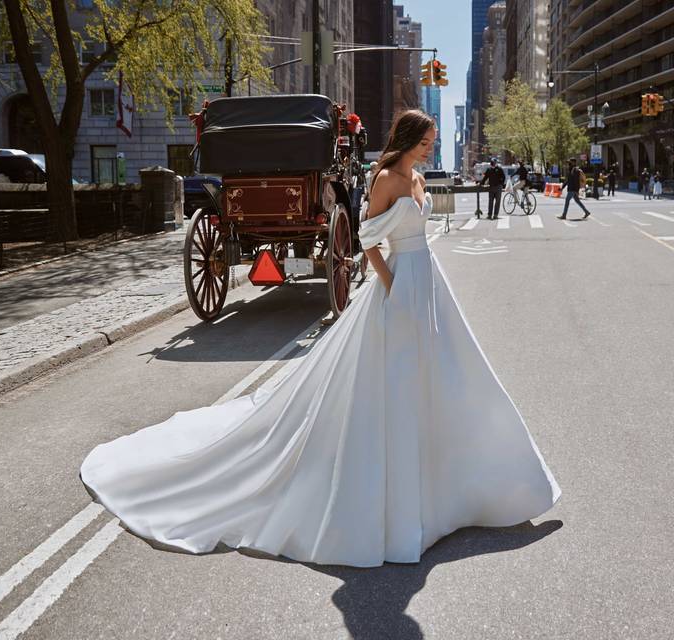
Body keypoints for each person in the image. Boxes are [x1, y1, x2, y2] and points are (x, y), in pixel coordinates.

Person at [79, 109, 560, 569]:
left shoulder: (416, 176)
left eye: (432, 143)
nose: (430, 149)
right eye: (425, 142)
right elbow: (369, 239)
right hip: (401, 286)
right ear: (409, 140)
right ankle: (394, 482)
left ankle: (461, 479)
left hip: (430, 283)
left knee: (452, 374)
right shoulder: (388, 178)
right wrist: (392, 287)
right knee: (395, 381)